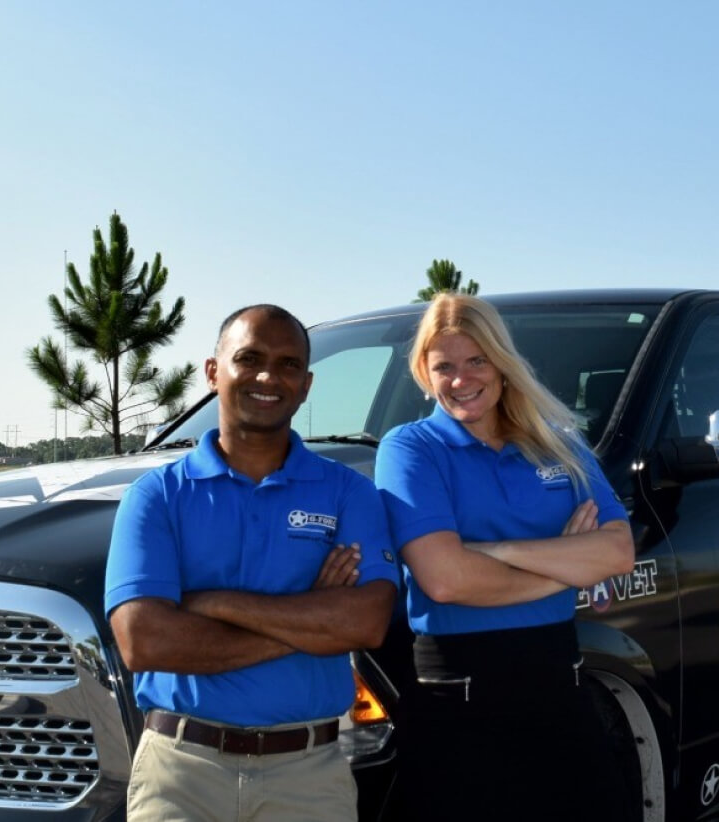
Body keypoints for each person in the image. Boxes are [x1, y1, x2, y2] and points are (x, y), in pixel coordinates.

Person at [105, 304, 398, 822]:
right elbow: (144, 641)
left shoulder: (349, 492)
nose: (269, 376)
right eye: (249, 358)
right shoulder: (157, 496)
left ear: (306, 385)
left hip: (309, 777)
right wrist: (312, 617)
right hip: (180, 773)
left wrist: (214, 604)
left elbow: (366, 622)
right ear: (214, 371)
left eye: (288, 365)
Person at [375, 293, 637, 820]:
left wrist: (499, 550)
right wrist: (564, 564)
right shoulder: (411, 448)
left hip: (561, 691)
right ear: (424, 373)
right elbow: (445, 579)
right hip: (458, 703)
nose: (461, 379)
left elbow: (616, 552)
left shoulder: (558, 444)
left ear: (502, 363)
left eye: (477, 360)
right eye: (443, 366)